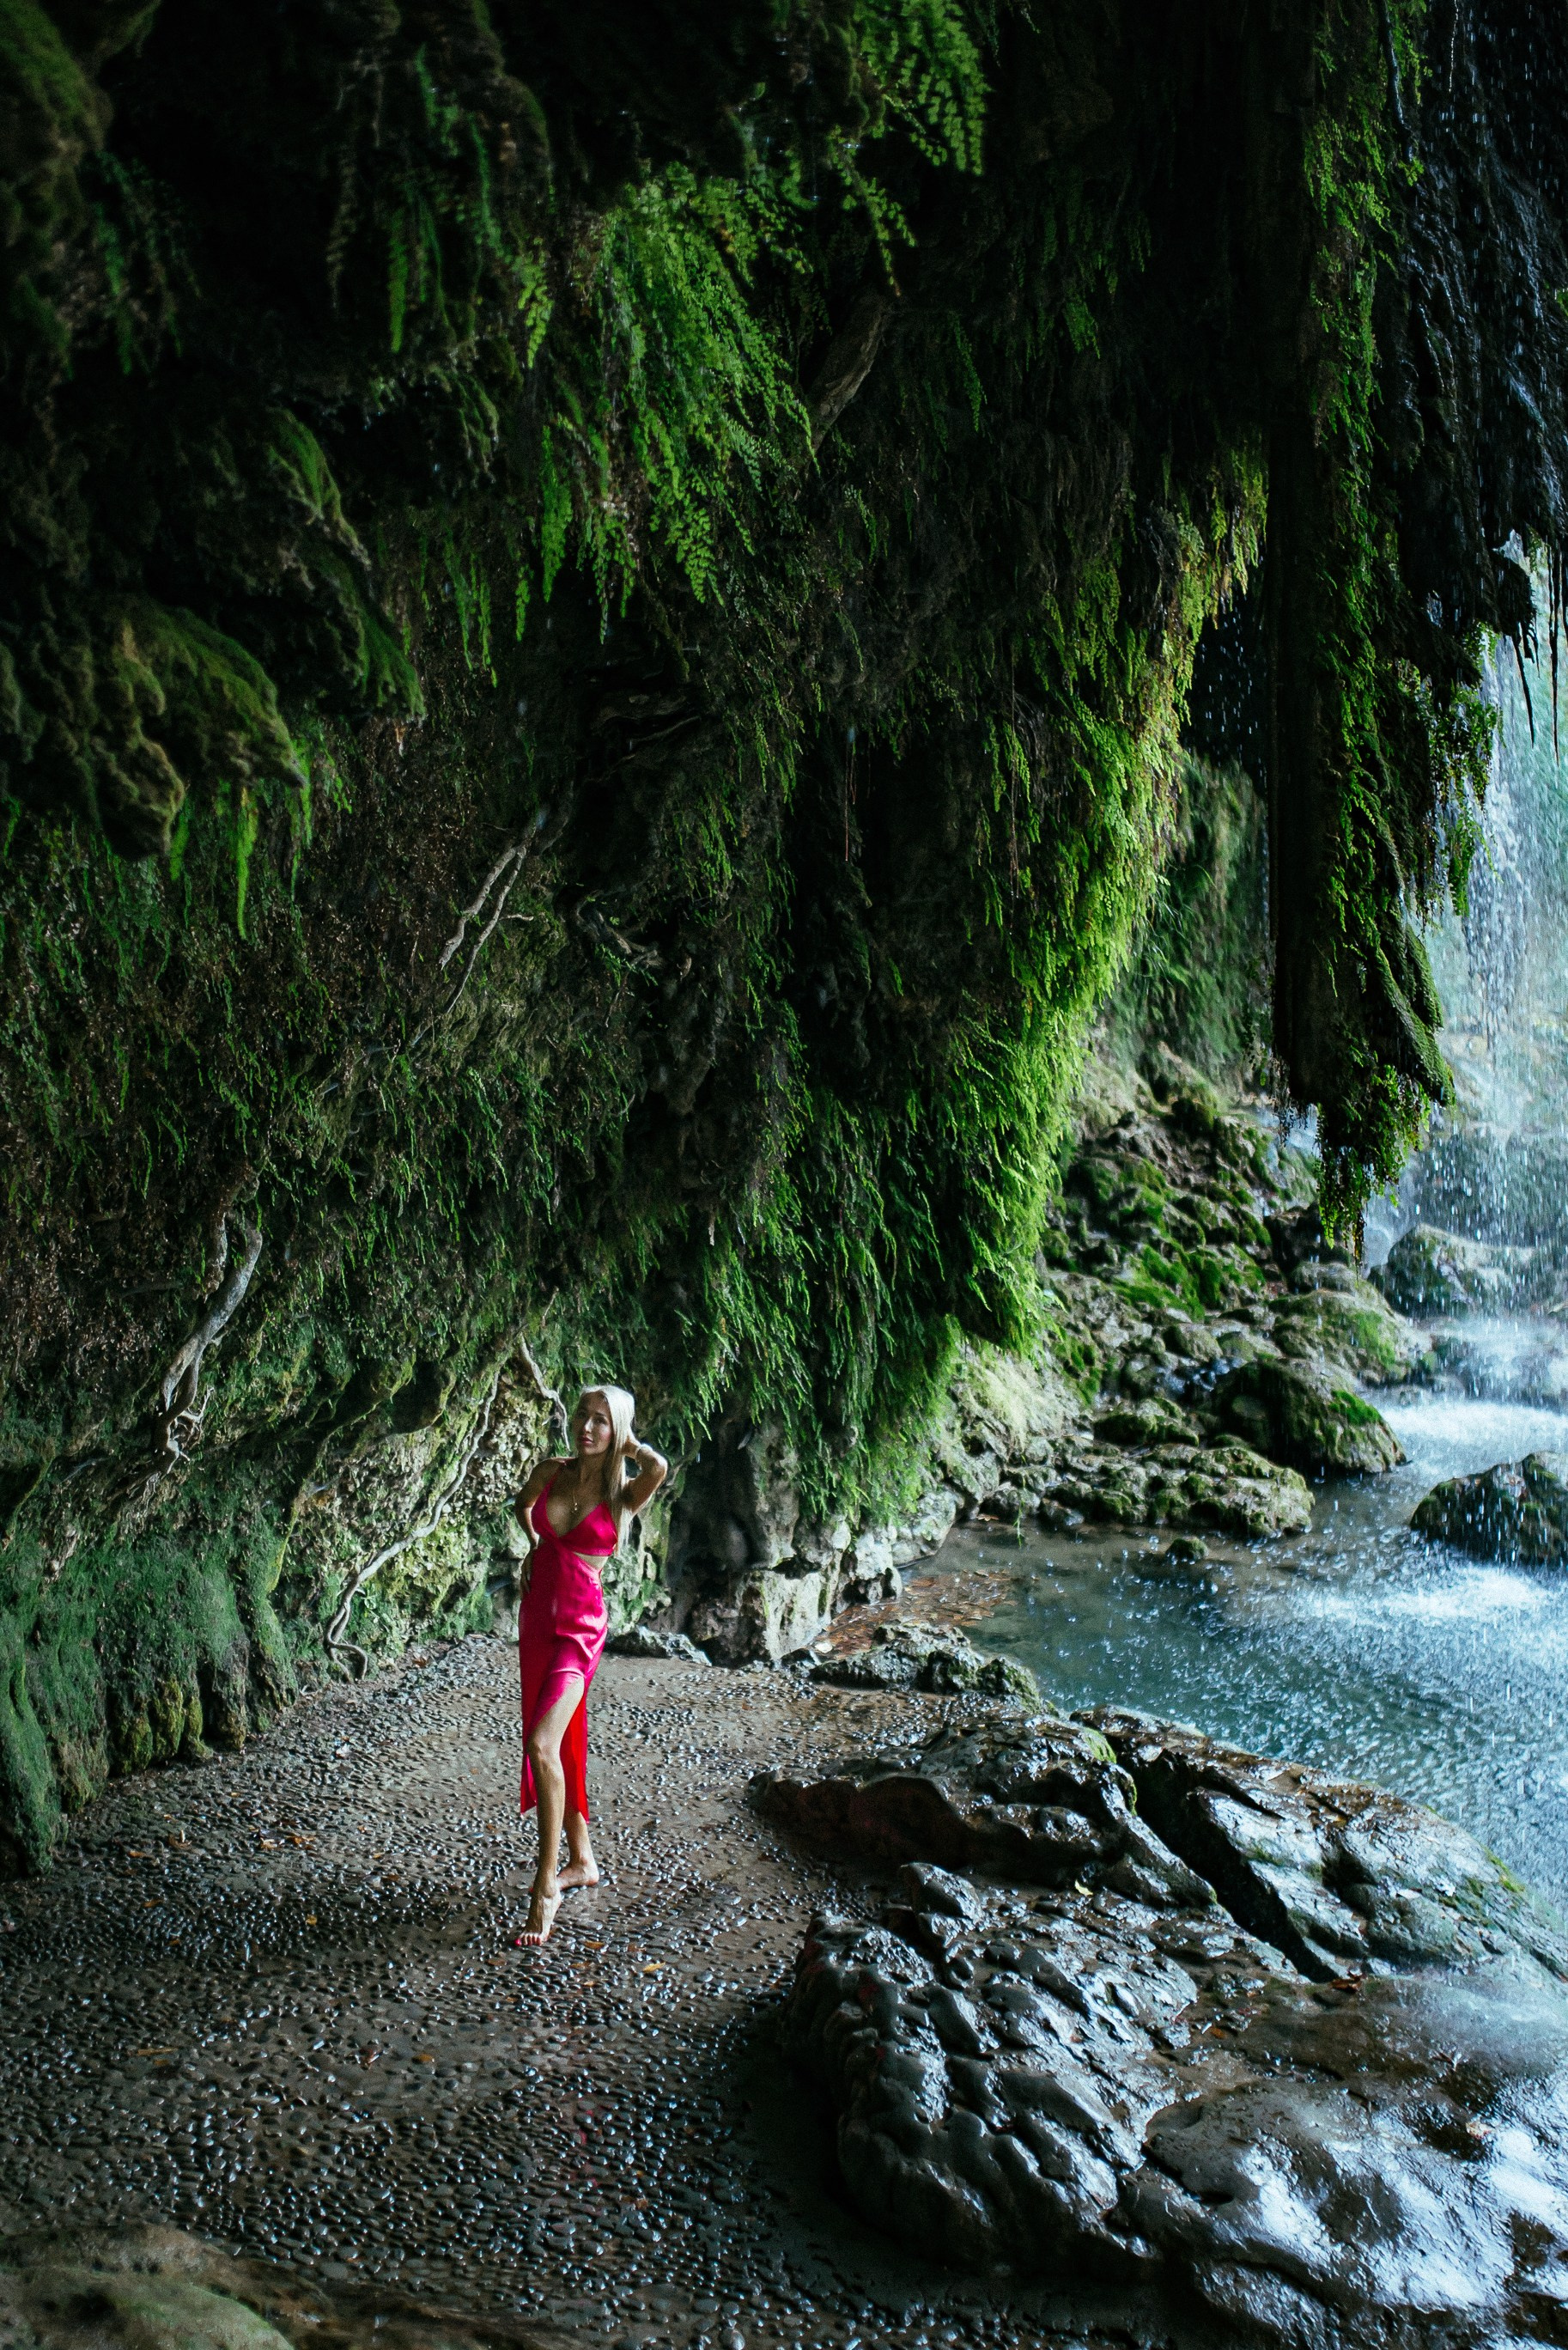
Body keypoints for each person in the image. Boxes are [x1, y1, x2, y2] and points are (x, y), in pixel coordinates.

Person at [513, 1385, 667, 1945]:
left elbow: (659, 1465)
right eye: (584, 1415)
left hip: (580, 1631)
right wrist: (533, 1546)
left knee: (542, 1745)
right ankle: (584, 1860)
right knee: (565, 1742)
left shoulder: (623, 1493)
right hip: (537, 1620)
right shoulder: (552, 1470)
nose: (587, 1426)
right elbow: (521, 1505)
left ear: (617, 1429)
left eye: (601, 1421)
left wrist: (627, 1441)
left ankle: (546, 1885)